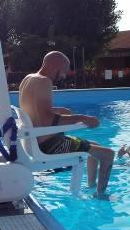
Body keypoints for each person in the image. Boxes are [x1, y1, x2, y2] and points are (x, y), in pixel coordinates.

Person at [19, 51, 115, 196]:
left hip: (35, 142)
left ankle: (91, 187)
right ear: (55, 65)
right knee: (108, 154)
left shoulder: (29, 79)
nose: (63, 76)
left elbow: (35, 110)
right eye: (63, 71)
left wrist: (58, 110)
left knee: (97, 146)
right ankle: (101, 196)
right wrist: (82, 118)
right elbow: (46, 120)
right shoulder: (44, 81)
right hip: (51, 146)